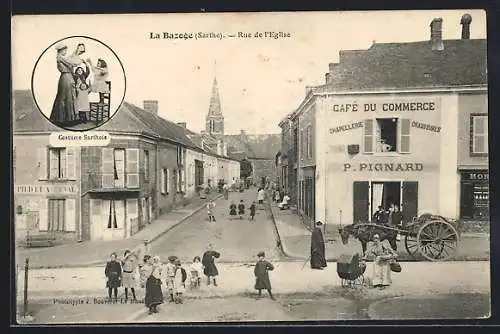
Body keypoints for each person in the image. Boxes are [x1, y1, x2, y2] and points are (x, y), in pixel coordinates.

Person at [49, 43, 83, 126]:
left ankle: (68, 118)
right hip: (66, 78)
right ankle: (65, 119)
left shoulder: (62, 57)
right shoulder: (61, 57)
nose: (66, 51)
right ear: (61, 50)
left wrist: (76, 53)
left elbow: (70, 58)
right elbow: (73, 63)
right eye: (65, 50)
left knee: (69, 97)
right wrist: (79, 60)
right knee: (67, 97)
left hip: (67, 78)